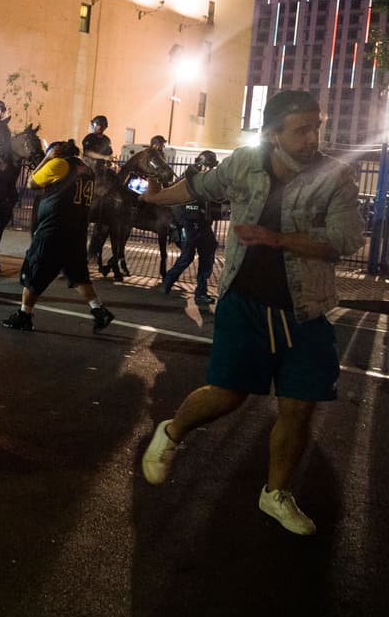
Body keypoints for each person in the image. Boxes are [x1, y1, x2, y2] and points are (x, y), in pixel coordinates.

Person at [139, 91, 363, 535]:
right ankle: (172, 432)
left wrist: (278, 238)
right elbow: (200, 186)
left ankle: (275, 493)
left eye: (316, 126)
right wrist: (156, 198)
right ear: (272, 134)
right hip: (244, 303)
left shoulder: (335, 176)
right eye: (301, 129)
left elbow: (347, 238)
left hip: (306, 309)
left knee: (298, 408)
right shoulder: (244, 163)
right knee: (227, 394)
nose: (312, 137)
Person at [1, 139, 115, 333]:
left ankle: (24, 315)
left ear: (56, 152)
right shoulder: (87, 170)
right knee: (78, 274)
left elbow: (32, 182)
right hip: (77, 231)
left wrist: (46, 158)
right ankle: (99, 310)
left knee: (34, 268)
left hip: (54, 228)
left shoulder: (59, 164)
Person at [160, 150, 221, 304]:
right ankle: (167, 282)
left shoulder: (206, 182)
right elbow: (175, 202)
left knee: (207, 255)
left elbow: (213, 202)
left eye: (211, 167)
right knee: (187, 256)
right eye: (207, 166)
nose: (209, 170)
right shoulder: (186, 179)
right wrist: (181, 223)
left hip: (202, 224)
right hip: (188, 224)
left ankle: (201, 293)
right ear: (200, 164)